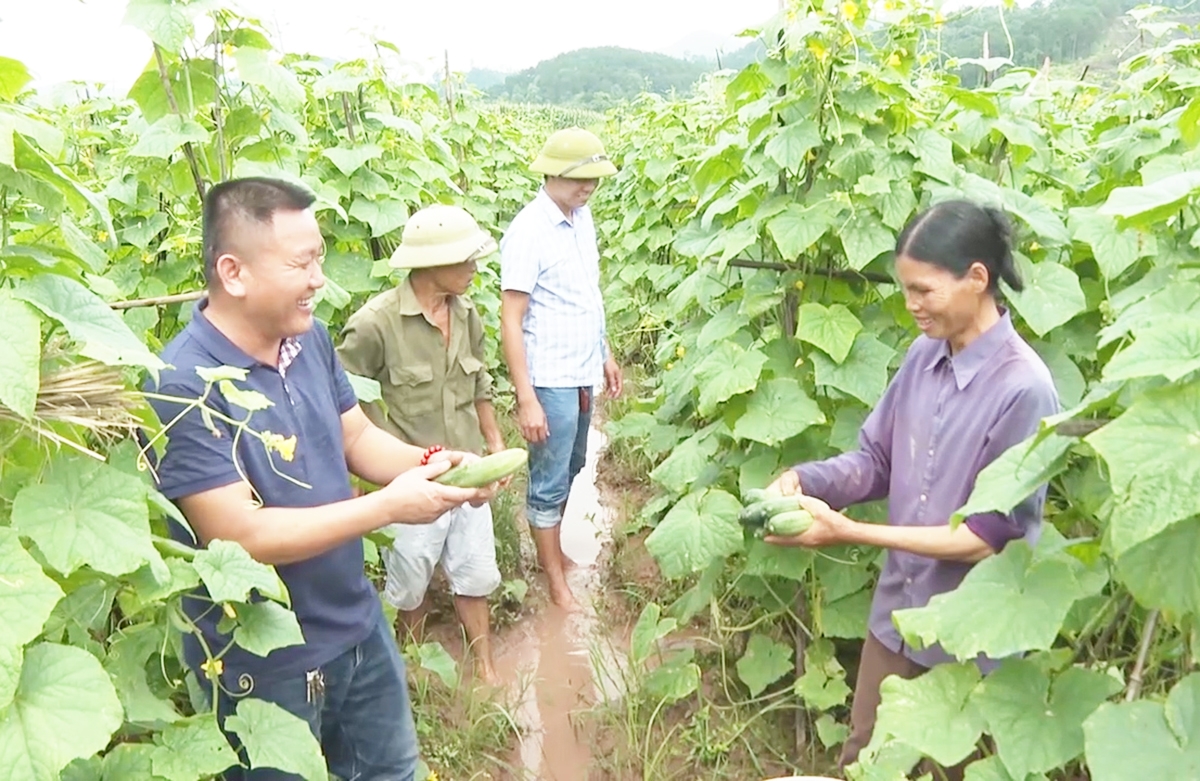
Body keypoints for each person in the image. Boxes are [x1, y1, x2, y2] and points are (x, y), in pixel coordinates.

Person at [144, 177, 494, 781]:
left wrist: (432, 466)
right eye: (301, 263)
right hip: (261, 660)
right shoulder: (182, 382)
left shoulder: (308, 341)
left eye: (320, 259)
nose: (318, 280)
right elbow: (239, 535)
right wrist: (388, 508)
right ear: (234, 273)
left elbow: (355, 438)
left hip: (355, 624)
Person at [763, 201, 1059, 779]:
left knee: (952, 769)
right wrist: (809, 479)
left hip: (972, 641)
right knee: (867, 761)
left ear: (978, 278)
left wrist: (847, 531)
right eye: (905, 289)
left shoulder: (1025, 389)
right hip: (898, 617)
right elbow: (877, 459)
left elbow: (986, 537)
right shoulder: (924, 356)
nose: (911, 305)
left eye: (923, 290)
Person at [336, 204, 507, 685]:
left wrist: (493, 443)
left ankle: (486, 667)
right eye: (466, 259)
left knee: (476, 574)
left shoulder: (467, 314)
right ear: (432, 264)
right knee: (409, 584)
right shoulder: (375, 325)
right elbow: (344, 401)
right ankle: (406, 668)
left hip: (469, 471)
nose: (475, 268)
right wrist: (361, 477)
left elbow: (480, 382)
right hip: (409, 478)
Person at [499, 127, 624, 611]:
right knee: (549, 476)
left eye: (594, 179)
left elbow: (586, 295)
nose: (588, 187)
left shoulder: (582, 218)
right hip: (549, 376)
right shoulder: (529, 231)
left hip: (582, 367)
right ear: (552, 173)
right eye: (580, 180)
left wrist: (605, 352)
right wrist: (525, 396)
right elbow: (511, 318)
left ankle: (555, 557)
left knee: (572, 464)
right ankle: (553, 581)